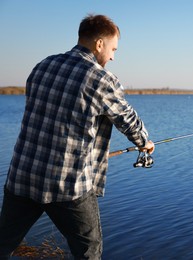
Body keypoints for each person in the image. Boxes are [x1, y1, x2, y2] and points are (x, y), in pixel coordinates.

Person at [0, 14, 154, 259]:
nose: (113, 56)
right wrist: (144, 142)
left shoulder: (43, 65)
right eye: (113, 49)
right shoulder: (102, 79)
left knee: (3, 244)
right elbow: (128, 120)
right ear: (99, 44)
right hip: (68, 185)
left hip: (22, 177)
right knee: (89, 251)